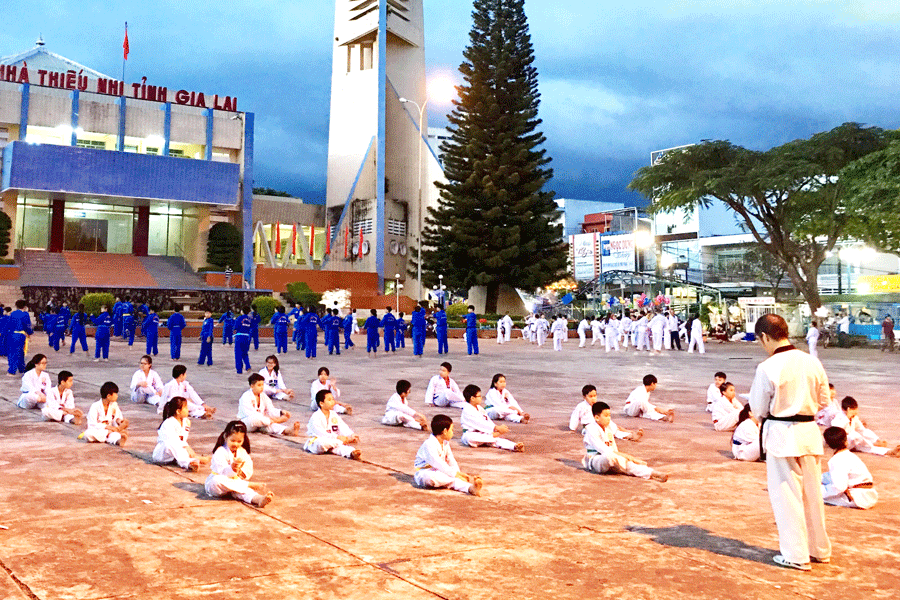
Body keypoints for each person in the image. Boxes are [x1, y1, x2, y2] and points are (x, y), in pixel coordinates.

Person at [749, 313, 831, 571]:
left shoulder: (767, 367)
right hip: (808, 432)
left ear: (764, 337)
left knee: (787, 496)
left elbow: (758, 407)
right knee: (813, 495)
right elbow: (825, 400)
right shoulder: (811, 361)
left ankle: (796, 555)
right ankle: (820, 550)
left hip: (782, 434)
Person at [582, 402, 667, 482]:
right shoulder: (591, 429)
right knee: (610, 456)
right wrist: (630, 457)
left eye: (610, 415)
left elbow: (614, 447)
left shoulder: (608, 428)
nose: (609, 418)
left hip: (612, 459)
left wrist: (627, 459)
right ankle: (625, 465)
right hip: (596, 461)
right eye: (606, 416)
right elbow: (606, 451)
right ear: (597, 417)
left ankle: (653, 473)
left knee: (629, 465)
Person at [205, 420, 275, 508]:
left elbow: (248, 468)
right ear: (225, 436)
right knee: (216, 481)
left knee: (242, 491)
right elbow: (222, 472)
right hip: (220, 485)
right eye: (233, 440)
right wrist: (232, 468)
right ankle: (249, 485)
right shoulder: (220, 452)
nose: (236, 444)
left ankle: (259, 499)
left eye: (239, 441)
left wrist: (240, 472)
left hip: (236, 482)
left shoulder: (242, 452)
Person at [414, 414, 483, 496]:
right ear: (445, 431)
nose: (452, 433)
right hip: (425, 472)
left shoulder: (445, 443)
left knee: (450, 478)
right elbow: (437, 463)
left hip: (441, 471)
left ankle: (470, 488)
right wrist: (455, 474)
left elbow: (451, 460)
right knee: (430, 478)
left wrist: (458, 473)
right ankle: (464, 485)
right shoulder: (429, 444)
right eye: (451, 430)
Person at [820, 427, 878, 509]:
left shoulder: (837, 459)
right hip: (869, 494)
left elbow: (839, 487)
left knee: (813, 492)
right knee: (819, 482)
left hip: (857, 498)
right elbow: (832, 476)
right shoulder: (849, 455)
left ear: (827, 443)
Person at [459, 384, 524, 452]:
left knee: (497, 440)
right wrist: (496, 428)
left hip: (484, 433)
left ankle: (514, 446)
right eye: (479, 396)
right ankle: (491, 437)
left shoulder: (479, 408)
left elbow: (487, 420)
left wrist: (496, 429)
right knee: (469, 438)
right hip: (472, 433)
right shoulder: (467, 410)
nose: (481, 398)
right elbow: (480, 424)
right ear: (472, 398)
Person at [152, 396, 210, 471]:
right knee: (170, 444)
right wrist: (186, 447)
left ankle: (192, 459)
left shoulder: (186, 422)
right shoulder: (168, 423)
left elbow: (183, 439)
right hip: (163, 454)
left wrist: (187, 448)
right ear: (178, 411)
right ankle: (189, 462)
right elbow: (173, 440)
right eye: (185, 408)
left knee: (182, 449)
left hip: (175, 454)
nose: (188, 410)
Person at [831, 396, 900, 457]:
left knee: (866, 447)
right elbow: (837, 433)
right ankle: (873, 444)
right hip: (841, 444)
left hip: (853, 443)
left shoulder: (854, 417)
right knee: (854, 435)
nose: (855, 414)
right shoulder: (838, 418)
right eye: (853, 412)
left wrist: (876, 439)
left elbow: (863, 430)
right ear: (845, 410)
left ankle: (890, 452)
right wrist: (847, 418)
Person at [304, 389, 361, 459]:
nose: (333, 402)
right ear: (321, 403)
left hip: (333, 441)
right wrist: (338, 438)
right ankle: (342, 442)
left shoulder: (333, 414)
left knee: (339, 448)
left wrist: (351, 434)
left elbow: (342, 426)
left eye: (333, 399)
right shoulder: (315, 416)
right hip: (317, 441)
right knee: (321, 443)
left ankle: (352, 453)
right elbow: (321, 433)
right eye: (329, 400)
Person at [83, 382, 129, 446]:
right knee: (88, 434)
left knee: (116, 435)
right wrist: (107, 428)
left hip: (111, 431)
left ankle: (118, 441)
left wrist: (119, 421)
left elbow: (117, 418)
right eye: (115, 394)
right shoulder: (95, 406)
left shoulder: (114, 405)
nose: (117, 396)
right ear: (108, 396)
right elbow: (92, 424)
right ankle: (107, 436)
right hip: (100, 430)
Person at [6, 300, 33, 375]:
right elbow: (27, 325)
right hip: (20, 335)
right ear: (25, 306)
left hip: (12, 334)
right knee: (19, 352)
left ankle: (20, 368)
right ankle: (14, 370)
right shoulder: (25, 314)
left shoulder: (13, 313)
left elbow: (9, 324)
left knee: (13, 352)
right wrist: (29, 333)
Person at [233, 306, 253, 373]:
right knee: (245, 353)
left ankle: (239, 369)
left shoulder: (240, 318)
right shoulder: (250, 319)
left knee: (238, 353)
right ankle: (248, 366)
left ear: (242, 311)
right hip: (247, 337)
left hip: (239, 337)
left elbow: (236, 327)